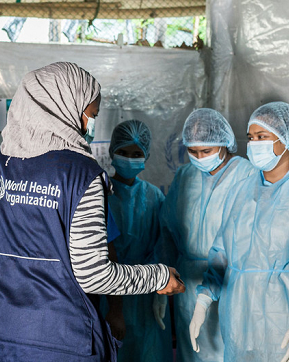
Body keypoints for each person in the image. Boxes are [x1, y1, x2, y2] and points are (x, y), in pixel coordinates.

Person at [0, 62, 185, 362]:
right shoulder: (81, 174)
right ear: (63, 107)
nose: (86, 127)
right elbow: (93, 274)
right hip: (60, 340)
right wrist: (158, 277)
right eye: (90, 115)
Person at [190, 102, 289, 362]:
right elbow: (222, 252)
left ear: (286, 140)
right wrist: (204, 298)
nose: (254, 144)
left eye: (262, 137)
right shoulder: (242, 190)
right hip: (241, 326)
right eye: (251, 138)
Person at [159, 107, 256, 362]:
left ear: (224, 143)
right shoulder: (186, 176)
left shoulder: (247, 175)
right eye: (193, 151)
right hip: (187, 285)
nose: (200, 157)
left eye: (207, 151)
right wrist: (162, 277)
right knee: (191, 353)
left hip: (231, 286)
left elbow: (246, 239)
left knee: (226, 351)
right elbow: (168, 229)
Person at [104, 120, 172, 361]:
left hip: (146, 293)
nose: (129, 159)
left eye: (136, 154)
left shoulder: (153, 196)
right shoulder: (100, 195)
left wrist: (160, 294)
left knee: (149, 352)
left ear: (146, 156)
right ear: (112, 152)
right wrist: (114, 307)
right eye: (122, 152)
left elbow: (162, 247)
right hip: (107, 292)